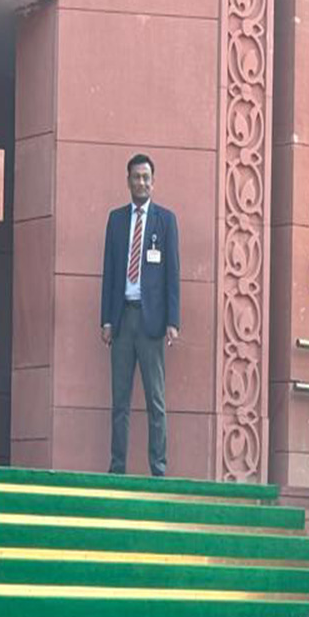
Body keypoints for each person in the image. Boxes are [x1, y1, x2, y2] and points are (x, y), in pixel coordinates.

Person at [100, 152, 180, 476]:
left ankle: (158, 469)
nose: (141, 182)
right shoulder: (116, 220)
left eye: (146, 177)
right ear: (128, 181)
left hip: (151, 324)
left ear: (153, 181)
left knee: (155, 402)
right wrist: (106, 320)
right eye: (136, 177)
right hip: (122, 320)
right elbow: (109, 272)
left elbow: (172, 274)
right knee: (120, 401)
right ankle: (117, 468)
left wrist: (173, 322)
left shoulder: (165, 220)